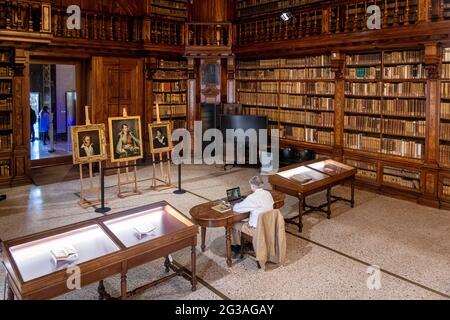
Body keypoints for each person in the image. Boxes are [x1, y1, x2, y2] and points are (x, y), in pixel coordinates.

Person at [231, 176, 274, 253]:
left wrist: (236, 204)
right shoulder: (268, 194)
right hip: (268, 225)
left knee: (233, 224)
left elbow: (237, 209)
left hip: (257, 230)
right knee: (249, 219)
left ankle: (237, 246)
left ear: (253, 186)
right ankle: (249, 243)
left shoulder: (252, 197)